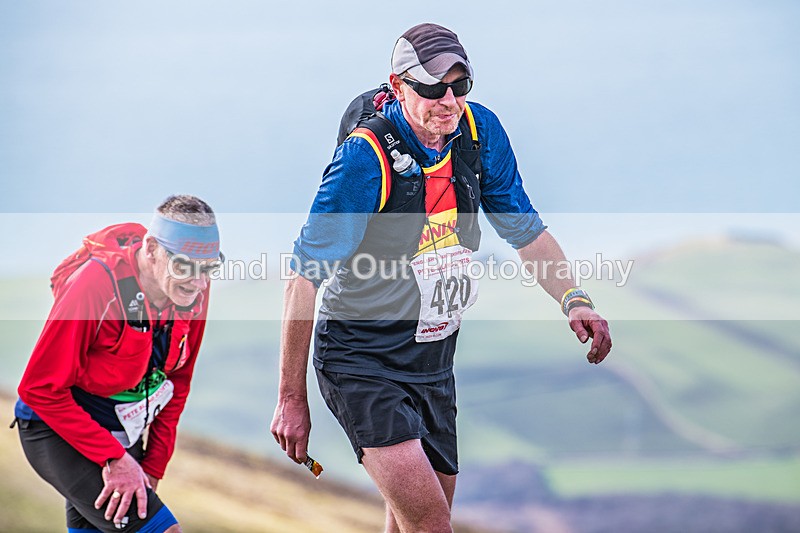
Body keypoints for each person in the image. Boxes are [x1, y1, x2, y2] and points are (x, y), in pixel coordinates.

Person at [270, 23, 612, 533]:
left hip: (433, 361)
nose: (448, 101)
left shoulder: (478, 133)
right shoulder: (365, 159)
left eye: (459, 85)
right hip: (361, 359)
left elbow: (525, 229)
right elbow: (303, 277)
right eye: (432, 87)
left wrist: (574, 298)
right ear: (398, 85)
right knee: (431, 523)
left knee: (415, 520)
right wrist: (291, 399)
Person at [12, 195, 222, 533]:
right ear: (151, 249)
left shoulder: (192, 290)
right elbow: (39, 388)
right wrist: (112, 456)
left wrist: (153, 466)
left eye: (210, 267)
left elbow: (178, 381)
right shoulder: (95, 284)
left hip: (124, 432)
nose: (199, 282)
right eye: (185, 266)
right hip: (57, 429)